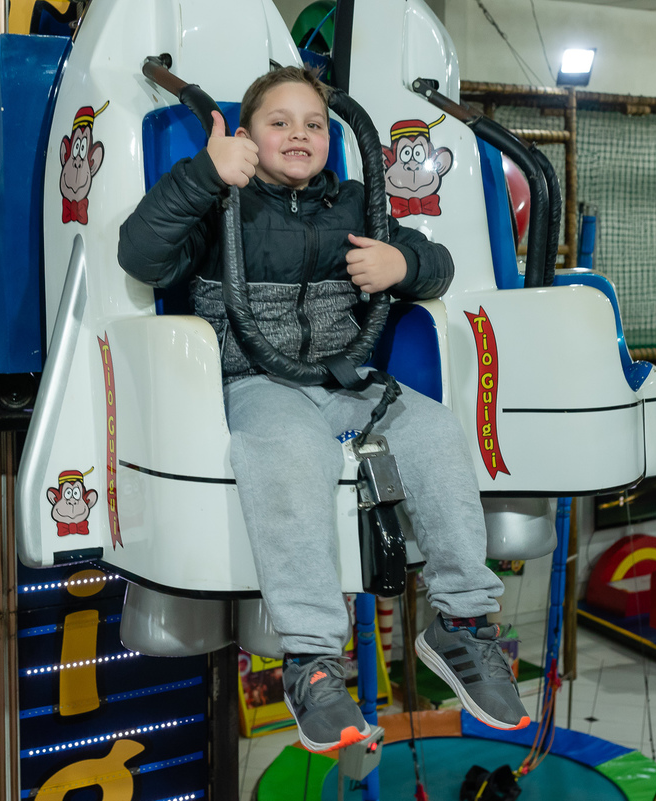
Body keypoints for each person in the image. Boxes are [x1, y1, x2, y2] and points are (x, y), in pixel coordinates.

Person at [117, 66, 528, 752]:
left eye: (313, 123)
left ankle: (462, 622)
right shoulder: (222, 203)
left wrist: (400, 264)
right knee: (290, 451)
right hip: (257, 379)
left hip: (347, 378)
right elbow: (143, 254)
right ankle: (310, 659)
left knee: (433, 434)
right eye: (279, 122)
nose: (299, 135)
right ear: (246, 136)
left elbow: (436, 262)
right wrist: (205, 176)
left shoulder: (353, 203)